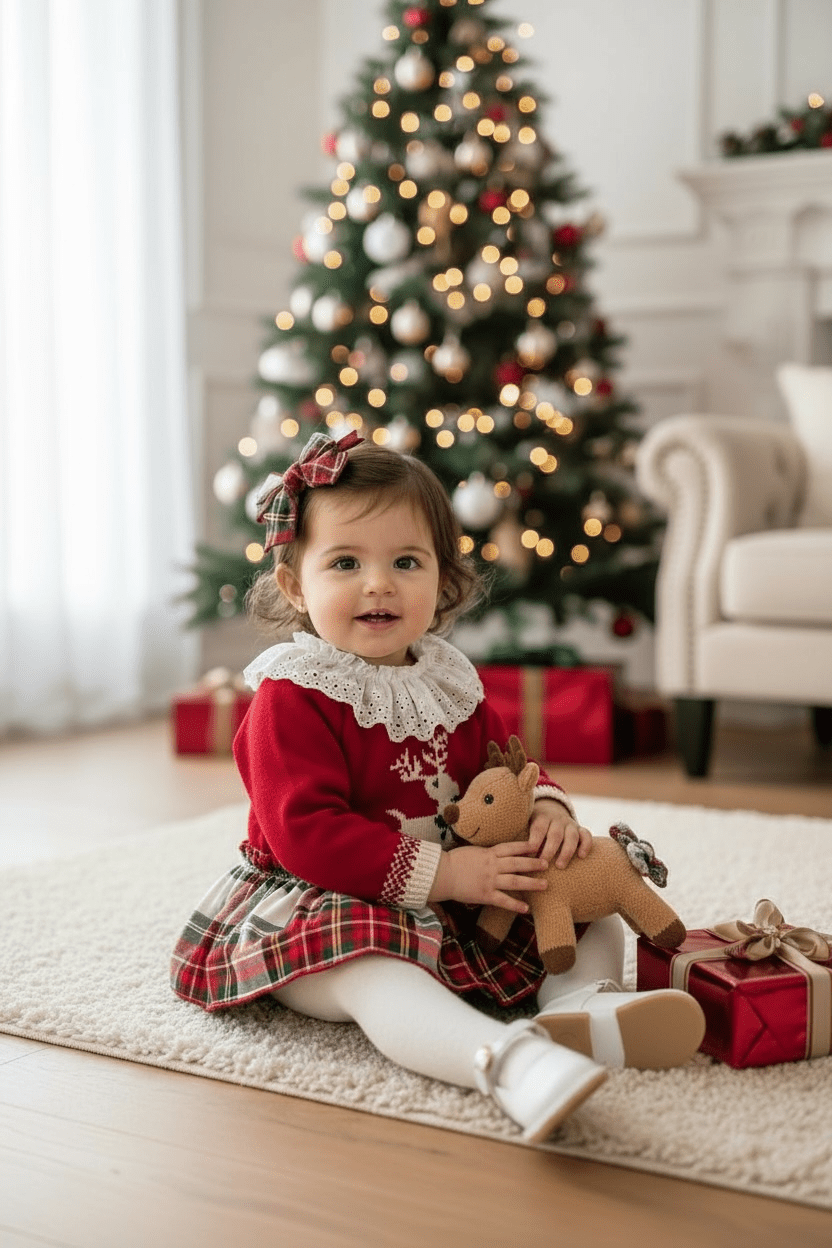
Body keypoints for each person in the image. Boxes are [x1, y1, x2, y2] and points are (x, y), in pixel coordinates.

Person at [171, 430, 704, 1142]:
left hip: (455, 893)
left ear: (442, 580)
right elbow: (308, 836)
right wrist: (449, 872)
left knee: (583, 893)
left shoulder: (446, 681)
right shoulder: (292, 696)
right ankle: (509, 1065)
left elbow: (505, 767)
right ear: (297, 585)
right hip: (325, 902)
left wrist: (544, 806)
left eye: (406, 561)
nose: (379, 583)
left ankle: (580, 1009)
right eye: (346, 562)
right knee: (377, 973)